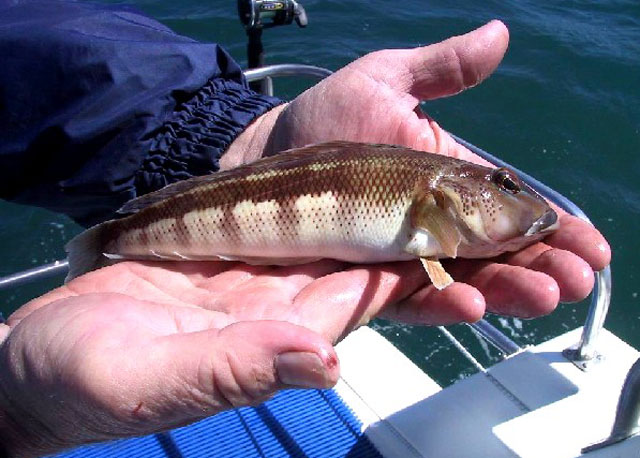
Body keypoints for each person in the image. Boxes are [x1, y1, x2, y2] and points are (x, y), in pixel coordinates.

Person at [0, 1, 610, 457]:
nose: (520, 202)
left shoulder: (435, 212)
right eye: (502, 186)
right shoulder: (431, 204)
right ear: (441, 203)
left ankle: (115, 234)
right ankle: (109, 241)